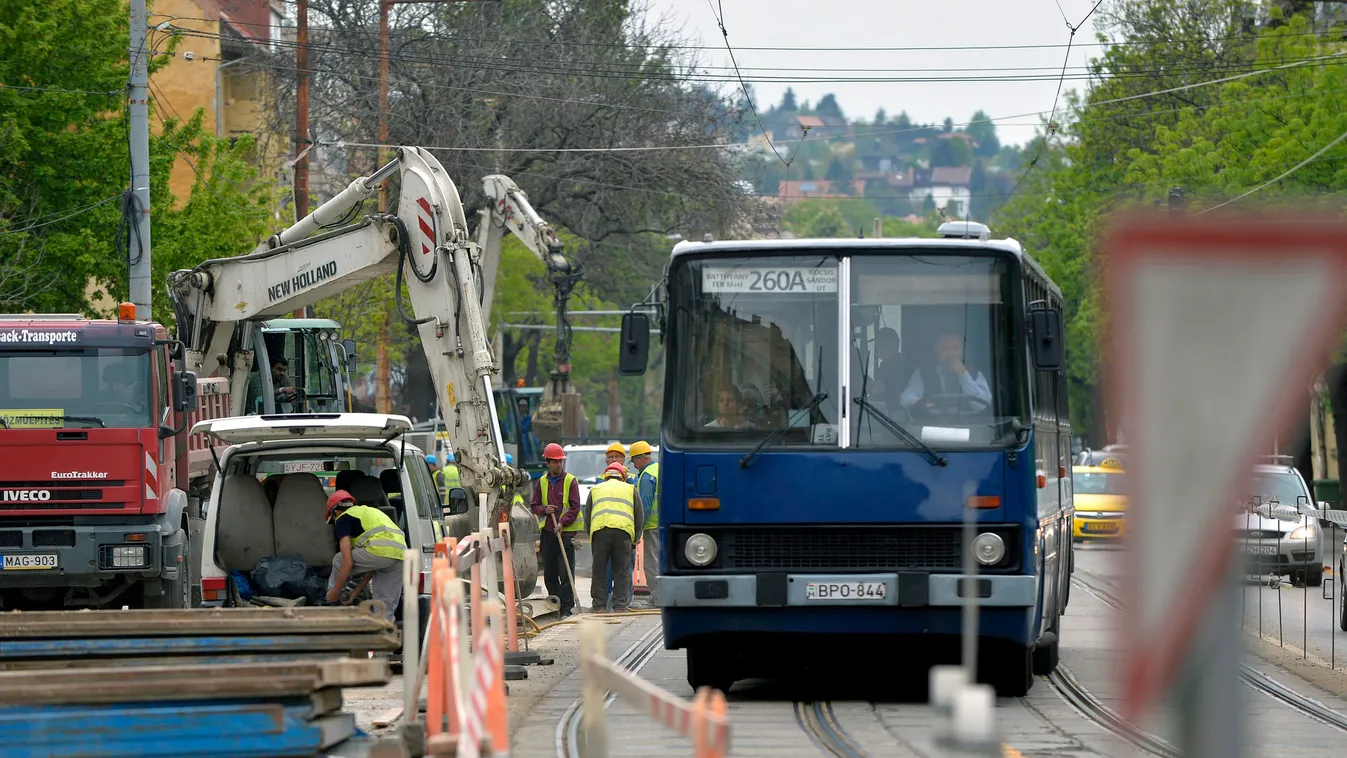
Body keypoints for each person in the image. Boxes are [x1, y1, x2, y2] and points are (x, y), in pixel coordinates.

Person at [324, 490, 406, 622]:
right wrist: (356, 591)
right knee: (384, 605)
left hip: (379, 552)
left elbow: (347, 563)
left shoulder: (342, 518)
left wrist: (336, 591)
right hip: (401, 554)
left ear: (335, 512)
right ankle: (384, 635)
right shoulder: (369, 513)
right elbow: (373, 565)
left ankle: (329, 603)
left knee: (339, 559)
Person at [585, 463, 644, 614]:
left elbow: (588, 515)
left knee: (599, 570)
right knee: (621, 570)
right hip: (623, 533)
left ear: (606, 476)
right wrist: (636, 536)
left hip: (600, 532)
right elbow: (639, 514)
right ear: (623, 477)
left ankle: (598, 606)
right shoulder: (630, 489)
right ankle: (620, 607)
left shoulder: (596, 489)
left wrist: (590, 533)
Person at [531, 443, 581, 617]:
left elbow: (575, 508)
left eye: (560, 461)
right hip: (548, 534)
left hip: (565, 534)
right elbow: (534, 505)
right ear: (548, 463)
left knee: (565, 572)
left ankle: (567, 606)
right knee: (550, 572)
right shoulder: (542, 482)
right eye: (555, 462)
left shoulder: (570, 481)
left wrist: (563, 522)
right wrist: (545, 510)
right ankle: (555, 603)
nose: (558, 465)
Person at [899, 332, 992, 412]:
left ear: (962, 351)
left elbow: (983, 404)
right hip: (932, 425)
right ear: (936, 349)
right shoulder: (924, 372)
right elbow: (905, 399)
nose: (951, 354)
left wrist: (963, 375)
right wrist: (920, 402)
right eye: (945, 348)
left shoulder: (974, 373)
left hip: (969, 426)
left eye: (955, 348)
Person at [629, 440, 660, 591]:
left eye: (634, 461)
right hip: (664, 524)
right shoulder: (659, 469)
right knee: (662, 561)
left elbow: (644, 507)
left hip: (652, 526)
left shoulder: (647, 476)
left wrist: (637, 530)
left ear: (640, 458)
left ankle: (656, 597)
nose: (634, 465)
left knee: (651, 563)